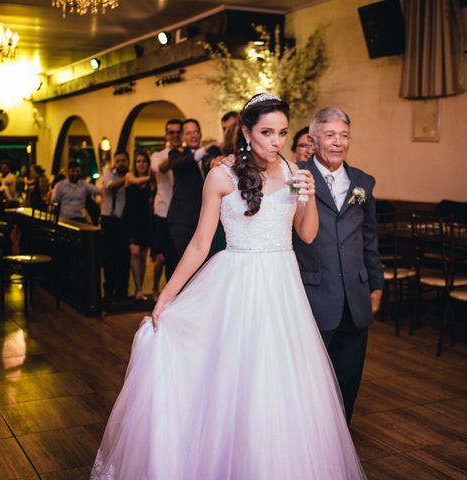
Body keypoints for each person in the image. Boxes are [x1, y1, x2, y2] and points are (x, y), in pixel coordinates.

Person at [90, 93, 365, 480]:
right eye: (267, 132)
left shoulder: (291, 171)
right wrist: (165, 297)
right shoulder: (221, 175)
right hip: (237, 285)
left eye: (282, 133)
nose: (276, 141)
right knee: (236, 379)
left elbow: (306, 234)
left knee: (282, 383)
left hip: (283, 289)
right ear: (247, 132)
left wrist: (308, 197)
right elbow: (200, 244)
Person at [294, 107, 384, 424]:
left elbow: (369, 239)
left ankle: (341, 434)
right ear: (313, 139)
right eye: (330, 135)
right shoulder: (297, 176)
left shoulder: (363, 182)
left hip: (356, 297)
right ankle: (309, 436)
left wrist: (376, 285)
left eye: (344, 135)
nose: (338, 142)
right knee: (309, 378)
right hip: (313, 294)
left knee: (348, 377)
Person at [162, 118, 221, 262]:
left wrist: (214, 159)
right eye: (188, 133)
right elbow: (185, 162)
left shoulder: (211, 153)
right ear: (182, 136)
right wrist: (205, 149)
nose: (193, 135)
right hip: (182, 221)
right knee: (187, 264)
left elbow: (210, 163)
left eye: (196, 132)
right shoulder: (175, 155)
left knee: (207, 264)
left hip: (206, 219)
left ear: (200, 134)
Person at [149, 119, 181, 297]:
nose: (176, 135)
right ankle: (155, 289)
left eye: (178, 132)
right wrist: (177, 156)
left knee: (177, 257)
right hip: (163, 213)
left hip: (182, 215)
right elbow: (160, 169)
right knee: (161, 257)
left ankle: (173, 295)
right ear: (166, 136)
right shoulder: (158, 156)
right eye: (172, 132)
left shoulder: (188, 155)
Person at [123, 152, 155, 300]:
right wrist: (151, 176)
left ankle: (140, 289)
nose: (141, 164)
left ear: (148, 164)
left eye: (144, 161)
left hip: (146, 220)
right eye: (138, 161)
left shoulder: (151, 183)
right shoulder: (130, 177)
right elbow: (135, 181)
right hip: (130, 220)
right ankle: (138, 289)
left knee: (143, 256)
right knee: (134, 252)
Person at [100, 151, 130, 300]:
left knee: (124, 256)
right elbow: (111, 186)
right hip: (109, 220)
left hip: (124, 221)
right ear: (114, 162)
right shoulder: (108, 174)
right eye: (118, 161)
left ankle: (122, 290)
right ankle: (108, 289)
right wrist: (128, 179)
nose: (121, 163)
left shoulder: (131, 175)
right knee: (109, 256)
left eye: (123, 160)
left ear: (128, 161)